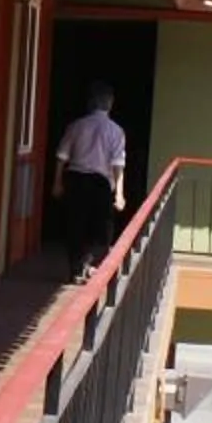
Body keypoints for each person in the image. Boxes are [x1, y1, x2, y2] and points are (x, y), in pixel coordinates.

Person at [54, 81, 128, 283]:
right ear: (110, 104)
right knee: (101, 227)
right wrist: (119, 193)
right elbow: (118, 164)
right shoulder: (116, 131)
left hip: (76, 179)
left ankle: (76, 268)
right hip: (100, 183)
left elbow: (62, 156)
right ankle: (91, 263)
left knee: (75, 225)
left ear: (91, 103)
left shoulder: (76, 126)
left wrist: (57, 183)